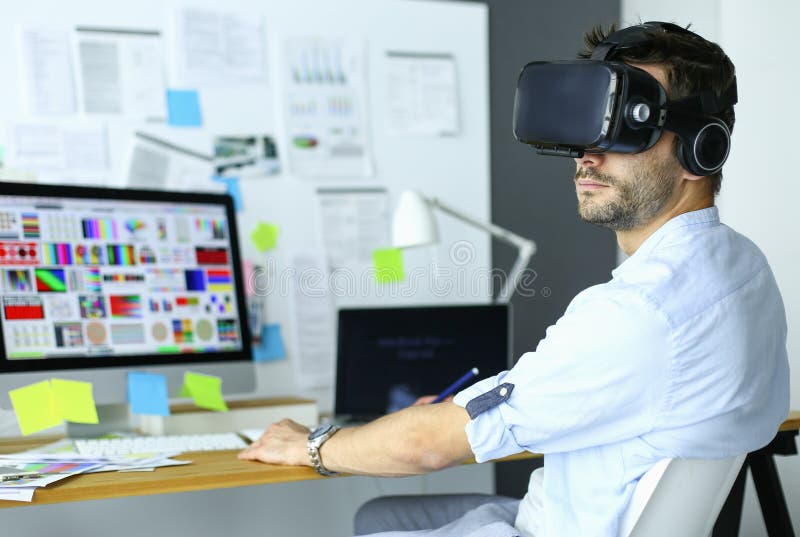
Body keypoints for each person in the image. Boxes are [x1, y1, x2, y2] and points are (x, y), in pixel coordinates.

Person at [238, 22, 789, 537]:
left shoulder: (637, 314)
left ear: (702, 149)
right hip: (575, 509)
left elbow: (427, 448)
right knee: (382, 512)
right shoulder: (744, 269)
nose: (588, 157)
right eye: (586, 123)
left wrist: (313, 446)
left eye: (627, 129)